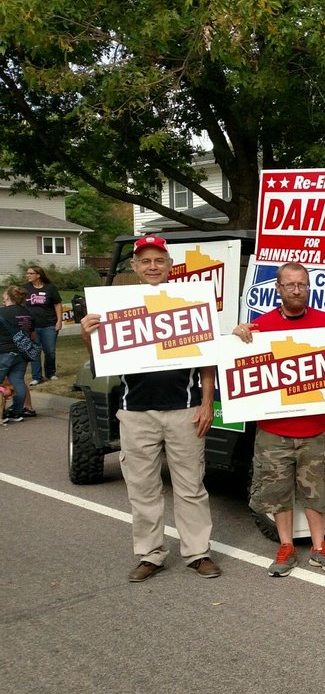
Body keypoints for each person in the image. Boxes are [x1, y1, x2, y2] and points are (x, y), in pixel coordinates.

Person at [80, 235, 221, 582]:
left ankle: (197, 553)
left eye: (159, 260)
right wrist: (87, 335)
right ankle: (151, 554)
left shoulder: (190, 301)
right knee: (142, 488)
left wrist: (207, 403)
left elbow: (207, 360)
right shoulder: (116, 306)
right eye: (145, 261)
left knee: (191, 486)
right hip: (135, 412)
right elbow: (103, 359)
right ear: (135, 266)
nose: (153, 266)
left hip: (185, 410)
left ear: (170, 265)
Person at [232, 263, 325, 577]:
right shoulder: (259, 328)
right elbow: (238, 363)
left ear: (308, 287)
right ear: (278, 288)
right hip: (273, 431)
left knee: (315, 490)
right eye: (290, 285)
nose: (297, 290)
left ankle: (319, 547)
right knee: (278, 491)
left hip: (314, 428)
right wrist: (236, 337)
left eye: (302, 284)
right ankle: (286, 547)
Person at [22, 265, 63, 386]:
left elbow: (57, 304)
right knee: (34, 351)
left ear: (38, 275)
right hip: (31, 327)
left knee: (50, 351)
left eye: (31, 273)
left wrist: (59, 321)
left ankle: (50, 373)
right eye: (27, 273)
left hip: (49, 325)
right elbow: (19, 303)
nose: (28, 275)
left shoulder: (50, 288)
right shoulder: (25, 288)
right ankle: (37, 377)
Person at [0, 285, 35, 422]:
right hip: (22, 352)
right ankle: (17, 412)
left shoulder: (3, 312)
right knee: (18, 381)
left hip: (4, 351)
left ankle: (2, 413)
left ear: (8, 296)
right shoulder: (28, 313)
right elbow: (32, 334)